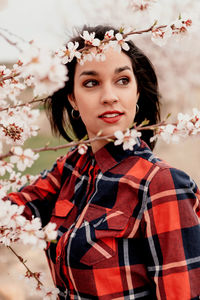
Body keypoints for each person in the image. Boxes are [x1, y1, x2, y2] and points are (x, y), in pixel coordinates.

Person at [5, 25, 200, 299]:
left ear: (138, 91)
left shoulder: (161, 185)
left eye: (122, 80)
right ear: (72, 97)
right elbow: (10, 214)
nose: (110, 96)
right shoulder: (72, 168)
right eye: (91, 83)